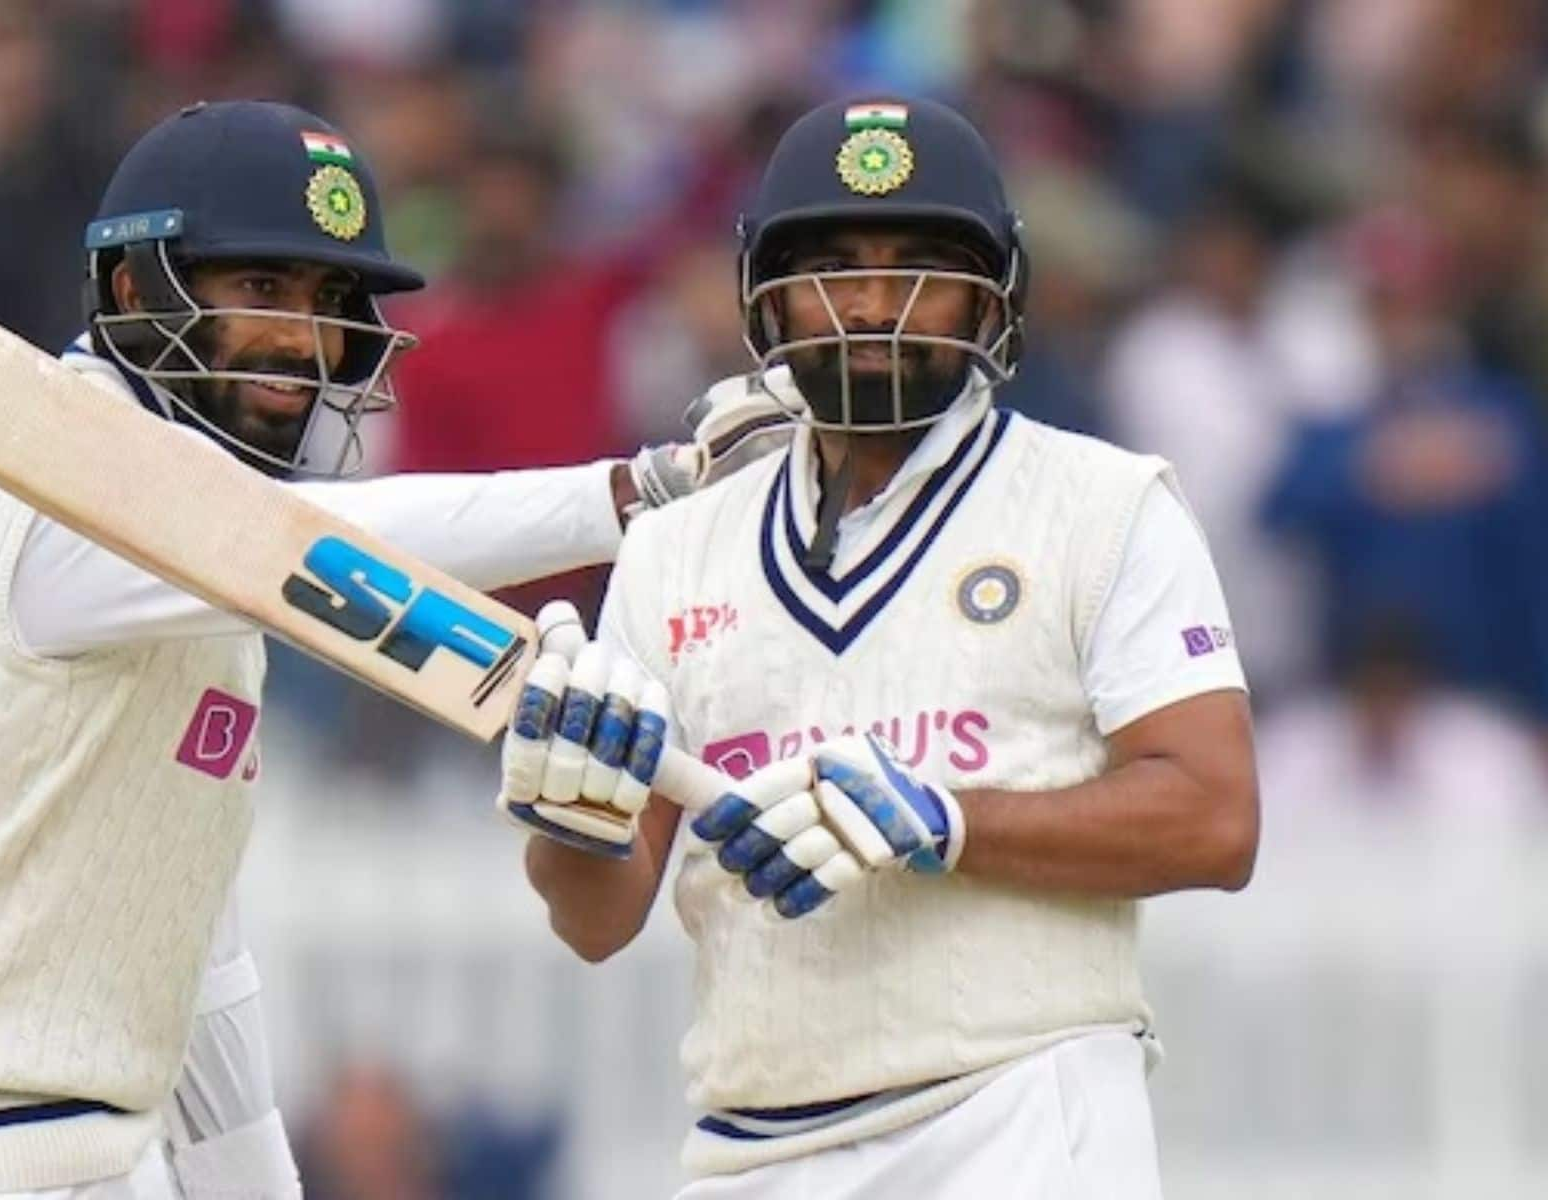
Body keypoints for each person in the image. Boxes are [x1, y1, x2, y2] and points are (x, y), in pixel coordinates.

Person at [0, 100, 782, 1200]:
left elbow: (190, 945)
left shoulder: (207, 563)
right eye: (262, 291)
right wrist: (636, 489)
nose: (304, 337)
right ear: (136, 291)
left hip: (30, 1144)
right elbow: (336, 551)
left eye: (329, 301)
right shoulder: (73, 492)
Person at [500, 98, 1260, 1198]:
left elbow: (1215, 817)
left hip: (1020, 1107)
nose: (870, 304)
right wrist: (565, 808)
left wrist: (948, 820)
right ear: (769, 293)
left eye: (918, 266)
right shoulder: (674, 549)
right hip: (750, 1136)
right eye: (835, 265)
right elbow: (597, 918)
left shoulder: (1103, 506)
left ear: (994, 292)